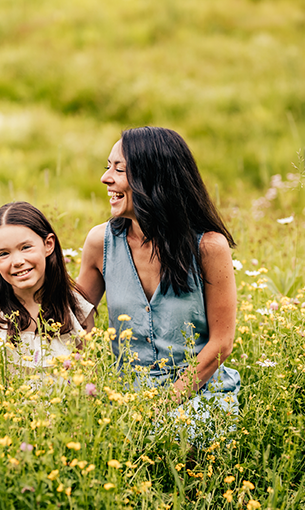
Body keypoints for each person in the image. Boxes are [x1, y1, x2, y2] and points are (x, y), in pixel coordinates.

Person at [77, 126, 241, 421]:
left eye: (120, 169)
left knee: (180, 440)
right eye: (107, 167)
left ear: (152, 178)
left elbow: (221, 344)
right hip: (126, 395)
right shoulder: (99, 242)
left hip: (200, 392)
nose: (106, 178)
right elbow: (75, 321)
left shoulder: (209, 248)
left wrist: (159, 408)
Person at [0, 202, 94, 376]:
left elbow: (87, 382)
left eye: (25, 247)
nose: (17, 261)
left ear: (48, 244)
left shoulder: (77, 308)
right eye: (4, 253)